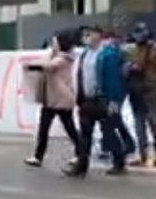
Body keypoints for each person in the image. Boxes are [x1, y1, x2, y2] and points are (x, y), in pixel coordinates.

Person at [65, 26, 127, 177]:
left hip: (102, 99)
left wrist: (113, 101)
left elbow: (113, 80)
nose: (86, 37)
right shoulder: (85, 54)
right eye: (85, 35)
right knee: (85, 135)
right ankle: (81, 166)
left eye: (89, 34)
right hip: (86, 100)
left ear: (99, 35)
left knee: (108, 132)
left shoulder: (107, 54)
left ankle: (119, 161)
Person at [25, 29, 80, 167]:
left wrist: (34, 67)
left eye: (54, 41)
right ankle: (38, 156)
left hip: (61, 99)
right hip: (51, 99)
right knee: (45, 128)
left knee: (69, 128)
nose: (52, 44)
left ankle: (81, 153)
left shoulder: (64, 58)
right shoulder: (55, 56)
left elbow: (50, 67)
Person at [125, 22, 156, 167]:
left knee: (153, 123)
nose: (139, 36)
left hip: (151, 90)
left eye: (142, 32)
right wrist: (130, 68)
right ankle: (143, 155)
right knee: (139, 125)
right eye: (137, 33)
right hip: (135, 90)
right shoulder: (130, 50)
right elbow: (124, 68)